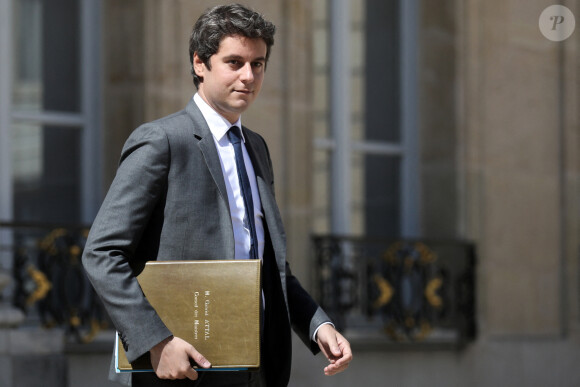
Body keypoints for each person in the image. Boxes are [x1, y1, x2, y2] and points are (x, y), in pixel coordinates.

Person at [82, 4, 352, 386]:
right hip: (178, 372)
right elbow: (102, 253)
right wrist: (155, 341)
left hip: (253, 369)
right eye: (234, 62)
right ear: (199, 63)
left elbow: (264, 262)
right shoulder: (162, 141)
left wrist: (317, 324)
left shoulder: (256, 148)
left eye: (258, 64)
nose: (249, 76)